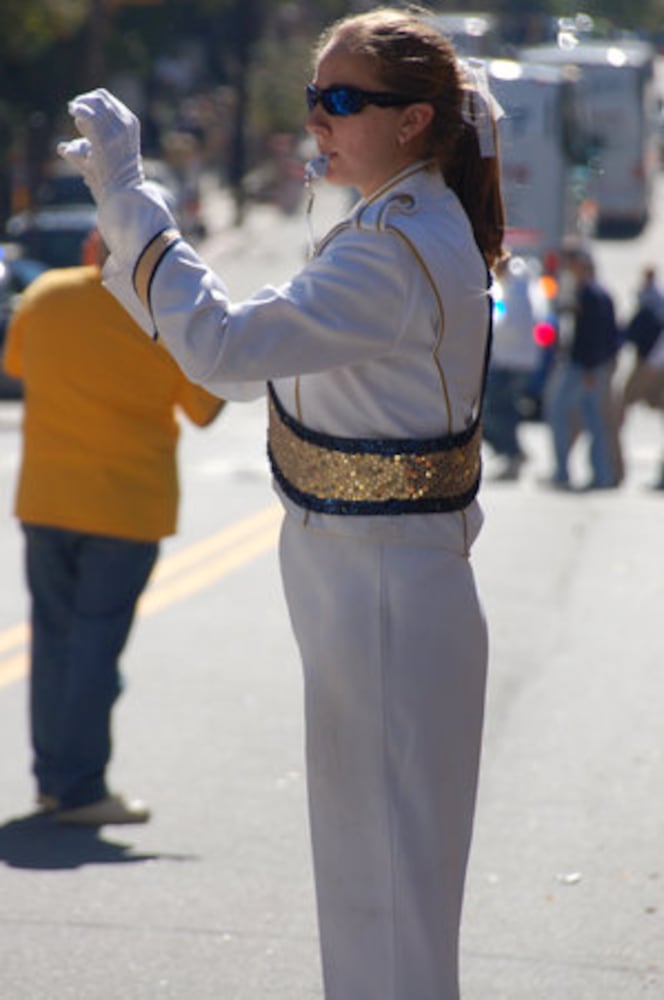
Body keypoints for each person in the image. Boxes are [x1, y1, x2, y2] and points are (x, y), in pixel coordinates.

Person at [58, 8, 506, 997]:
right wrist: (132, 237)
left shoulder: (392, 247)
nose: (319, 119)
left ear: (414, 120)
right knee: (369, 893)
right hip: (366, 584)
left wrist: (135, 204)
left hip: (385, 589)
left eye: (344, 101)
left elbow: (222, 354)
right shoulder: (393, 224)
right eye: (314, 98)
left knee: (385, 904)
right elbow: (227, 337)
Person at [2, 228, 224, 826]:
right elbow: (208, 407)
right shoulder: (164, 317)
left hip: (47, 500)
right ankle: (80, 788)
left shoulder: (45, 294)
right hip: (125, 508)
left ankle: (54, 780)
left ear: (89, 252)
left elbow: (16, 364)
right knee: (96, 649)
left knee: (53, 643)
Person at [544, 242, 621, 490]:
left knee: (566, 414)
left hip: (586, 367)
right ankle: (599, 474)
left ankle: (576, 472)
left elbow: (597, 337)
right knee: (592, 420)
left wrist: (589, 369)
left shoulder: (592, 295)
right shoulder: (586, 292)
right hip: (589, 366)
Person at [483, 255, 540, 480]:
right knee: (504, 410)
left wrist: (490, 326)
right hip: (510, 359)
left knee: (499, 411)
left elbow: (511, 323)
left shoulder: (516, 287)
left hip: (511, 361)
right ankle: (512, 452)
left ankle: (512, 453)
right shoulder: (511, 285)